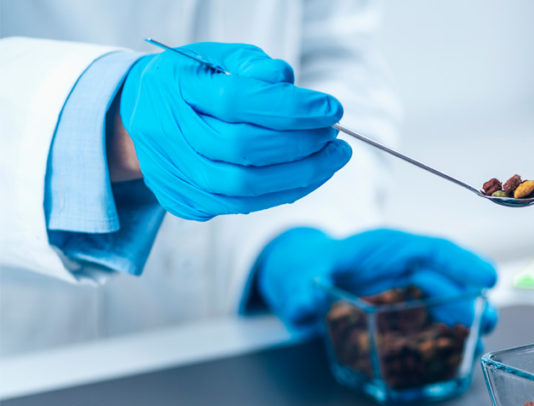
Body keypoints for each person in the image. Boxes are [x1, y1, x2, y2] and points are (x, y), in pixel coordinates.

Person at [0, 0, 497, 355]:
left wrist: (292, 234)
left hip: (239, 333)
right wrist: (101, 124)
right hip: (36, 355)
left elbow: (333, 53)